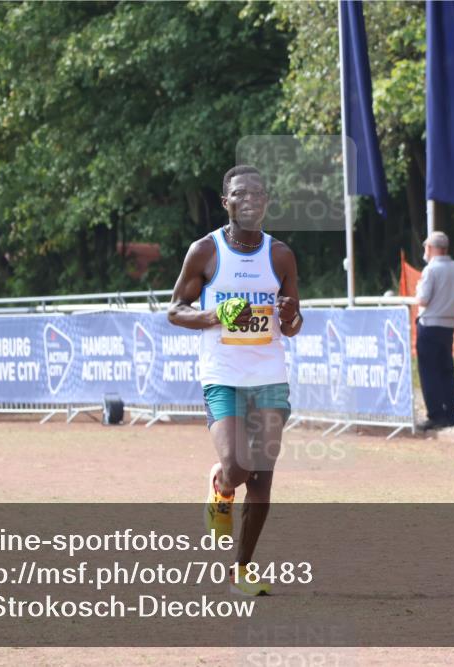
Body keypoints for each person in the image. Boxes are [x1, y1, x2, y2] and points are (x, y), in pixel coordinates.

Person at [167, 165, 302, 596]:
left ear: (266, 202)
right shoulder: (205, 252)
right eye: (240, 194)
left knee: (262, 476)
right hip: (223, 376)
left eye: (258, 193)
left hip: (270, 378)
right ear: (226, 202)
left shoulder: (280, 255)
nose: (250, 199)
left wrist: (290, 317)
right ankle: (221, 488)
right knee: (238, 467)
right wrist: (214, 315)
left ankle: (240, 571)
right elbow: (175, 309)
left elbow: (295, 319)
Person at [414, 231, 454, 431]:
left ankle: (435, 414)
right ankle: (450, 413)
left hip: (429, 325)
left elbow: (423, 299)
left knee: (429, 372)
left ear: (430, 248)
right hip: (448, 327)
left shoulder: (430, 270)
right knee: (446, 371)